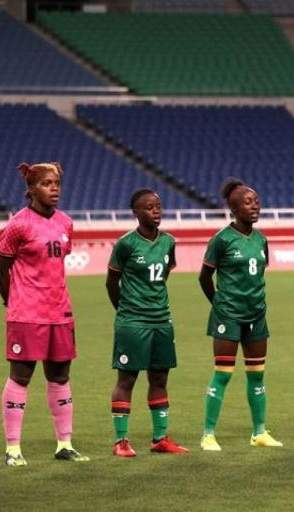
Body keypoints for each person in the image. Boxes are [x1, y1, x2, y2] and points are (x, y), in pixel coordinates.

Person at [0, 162, 88, 466]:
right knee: (21, 377)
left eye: (57, 184)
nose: (55, 189)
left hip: (60, 312)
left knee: (60, 375)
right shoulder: (18, 225)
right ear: (31, 189)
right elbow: (1, 270)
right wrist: (14, 304)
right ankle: (13, 449)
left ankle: (64, 444)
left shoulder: (65, 223)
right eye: (47, 184)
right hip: (27, 315)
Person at [199, 179, 282, 450]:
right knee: (222, 374)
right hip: (228, 316)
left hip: (256, 316)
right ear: (234, 208)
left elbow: (258, 275)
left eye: (256, 201)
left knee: (257, 375)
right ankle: (208, 434)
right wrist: (219, 305)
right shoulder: (221, 239)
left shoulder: (261, 239)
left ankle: (259, 432)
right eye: (248, 202)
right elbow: (205, 277)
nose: (255, 206)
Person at [106, 189, 187, 457]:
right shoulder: (126, 244)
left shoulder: (169, 242)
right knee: (127, 378)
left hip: (161, 320)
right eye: (149, 207)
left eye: (159, 206)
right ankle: (120, 441)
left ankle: (160, 438)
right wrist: (127, 311)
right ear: (136, 213)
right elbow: (111, 283)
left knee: (160, 377)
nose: (156, 211)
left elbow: (163, 276)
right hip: (132, 322)